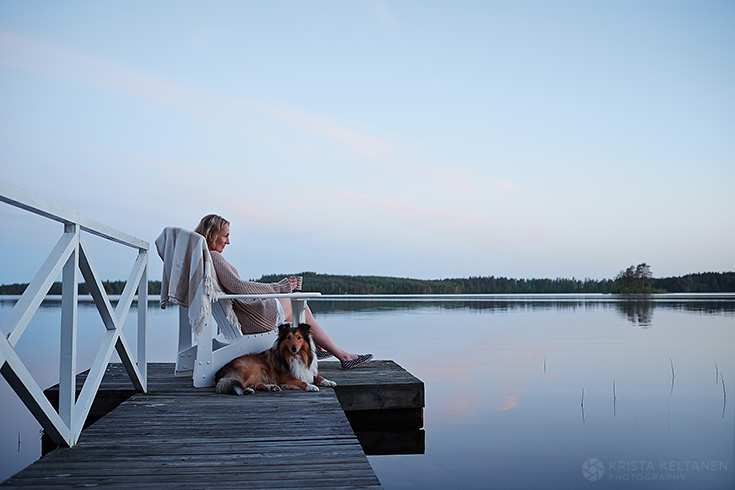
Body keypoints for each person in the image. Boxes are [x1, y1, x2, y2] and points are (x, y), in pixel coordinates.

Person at [194, 214, 373, 370]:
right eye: (225, 236)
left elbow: (236, 288)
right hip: (255, 318)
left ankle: (322, 349)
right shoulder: (215, 257)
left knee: (302, 309)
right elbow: (239, 287)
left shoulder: (207, 259)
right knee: (300, 305)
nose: (228, 241)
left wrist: (270, 290)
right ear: (212, 234)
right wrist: (279, 287)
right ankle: (341, 355)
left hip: (246, 314)